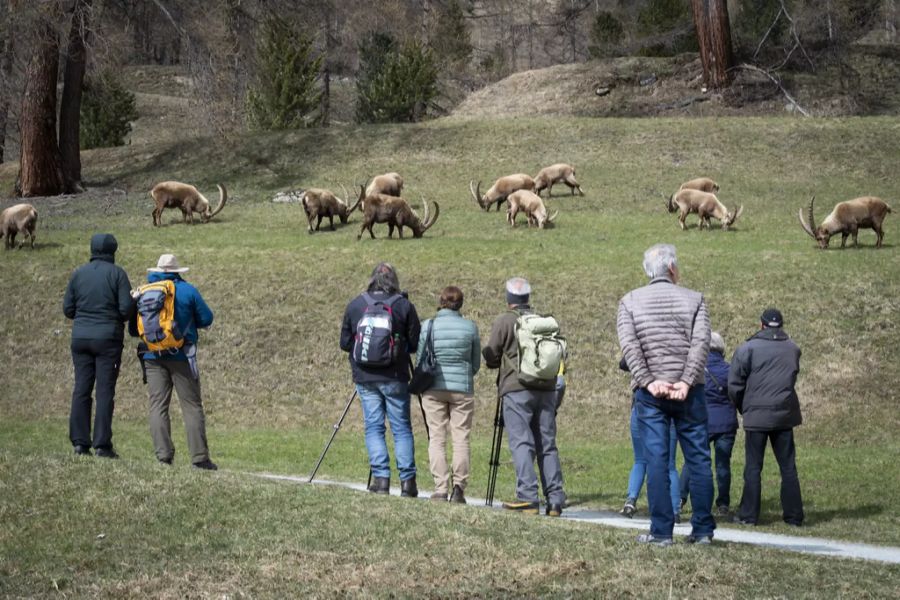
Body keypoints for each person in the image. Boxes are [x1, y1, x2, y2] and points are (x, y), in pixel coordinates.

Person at [616, 244, 715, 546]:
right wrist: (685, 381)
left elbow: (630, 347)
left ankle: (661, 532)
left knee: (656, 460)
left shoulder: (629, 301)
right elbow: (701, 345)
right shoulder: (695, 299)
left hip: (651, 394)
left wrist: (647, 381)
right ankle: (702, 530)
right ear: (672, 269)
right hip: (691, 392)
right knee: (698, 459)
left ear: (648, 272)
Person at [483, 277, 566, 517]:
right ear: (527, 298)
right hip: (547, 388)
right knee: (547, 444)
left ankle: (528, 497)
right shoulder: (542, 321)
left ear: (508, 299)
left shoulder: (505, 321)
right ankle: (555, 499)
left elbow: (491, 356)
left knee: (521, 442)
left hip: (517, 388)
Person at [340, 262, 421, 497]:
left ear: (372, 279)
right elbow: (415, 344)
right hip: (395, 377)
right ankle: (408, 483)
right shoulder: (403, 305)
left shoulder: (356, 304)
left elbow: (345, 343)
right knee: (401, 428)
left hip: (365, 376)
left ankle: (381, 480)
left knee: (374, 427)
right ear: (394, 280)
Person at [137, 254, 217, 470]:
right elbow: (207, 318)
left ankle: (163, 456)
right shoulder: (187, 290)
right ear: (177, 271)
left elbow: (134, 329)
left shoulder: (144, 291)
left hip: (152, 356)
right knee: (191, 406)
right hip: (182, 355)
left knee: (157, 405)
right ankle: (199, 458)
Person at [728, 308, 804, 527]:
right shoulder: (792, 348)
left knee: (753, 467)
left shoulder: (747, 348)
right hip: (784, 415)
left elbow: (734, 385)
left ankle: (749, 515)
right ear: (781, 325)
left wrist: (745, 407)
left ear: (761, 325)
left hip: (756, 416)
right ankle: (794, 516)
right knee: (788, 467)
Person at [63, 233, 134, 458]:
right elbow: (125, 310)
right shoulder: (118, 274)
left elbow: (68, 309)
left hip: (80, 338)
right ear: (113, 251)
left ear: (92, 250)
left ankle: (79, 443)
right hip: (108, 339)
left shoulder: (78, 274)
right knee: (104, 391)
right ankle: (102, 445)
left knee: (81, 389)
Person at [417, 286, 481, 504]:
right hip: (462, 388)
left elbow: (420, 359)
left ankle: (440, 488)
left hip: (433, 387)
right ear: (460, 304)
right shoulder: (470, 327)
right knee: (461, 437)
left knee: (436, 437)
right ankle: (459, 488)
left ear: (441, 302)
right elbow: (475, 363)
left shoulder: (428, 325)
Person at [680, 331, 738, 517]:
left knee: (692, 461)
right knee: (723, 465)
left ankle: (681, 498)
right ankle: (723, 504)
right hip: (727, 424)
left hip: (701, 422)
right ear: (721, 349)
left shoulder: (696, 370)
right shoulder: (730, 370)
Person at [619, 356, 683, 522]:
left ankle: (631, 501)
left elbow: (624, 362)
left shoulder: (645, 343)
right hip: (672, 405)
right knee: (669, 463)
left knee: (640, 459)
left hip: (643, 406)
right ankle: (675, 509)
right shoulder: (678, 348)